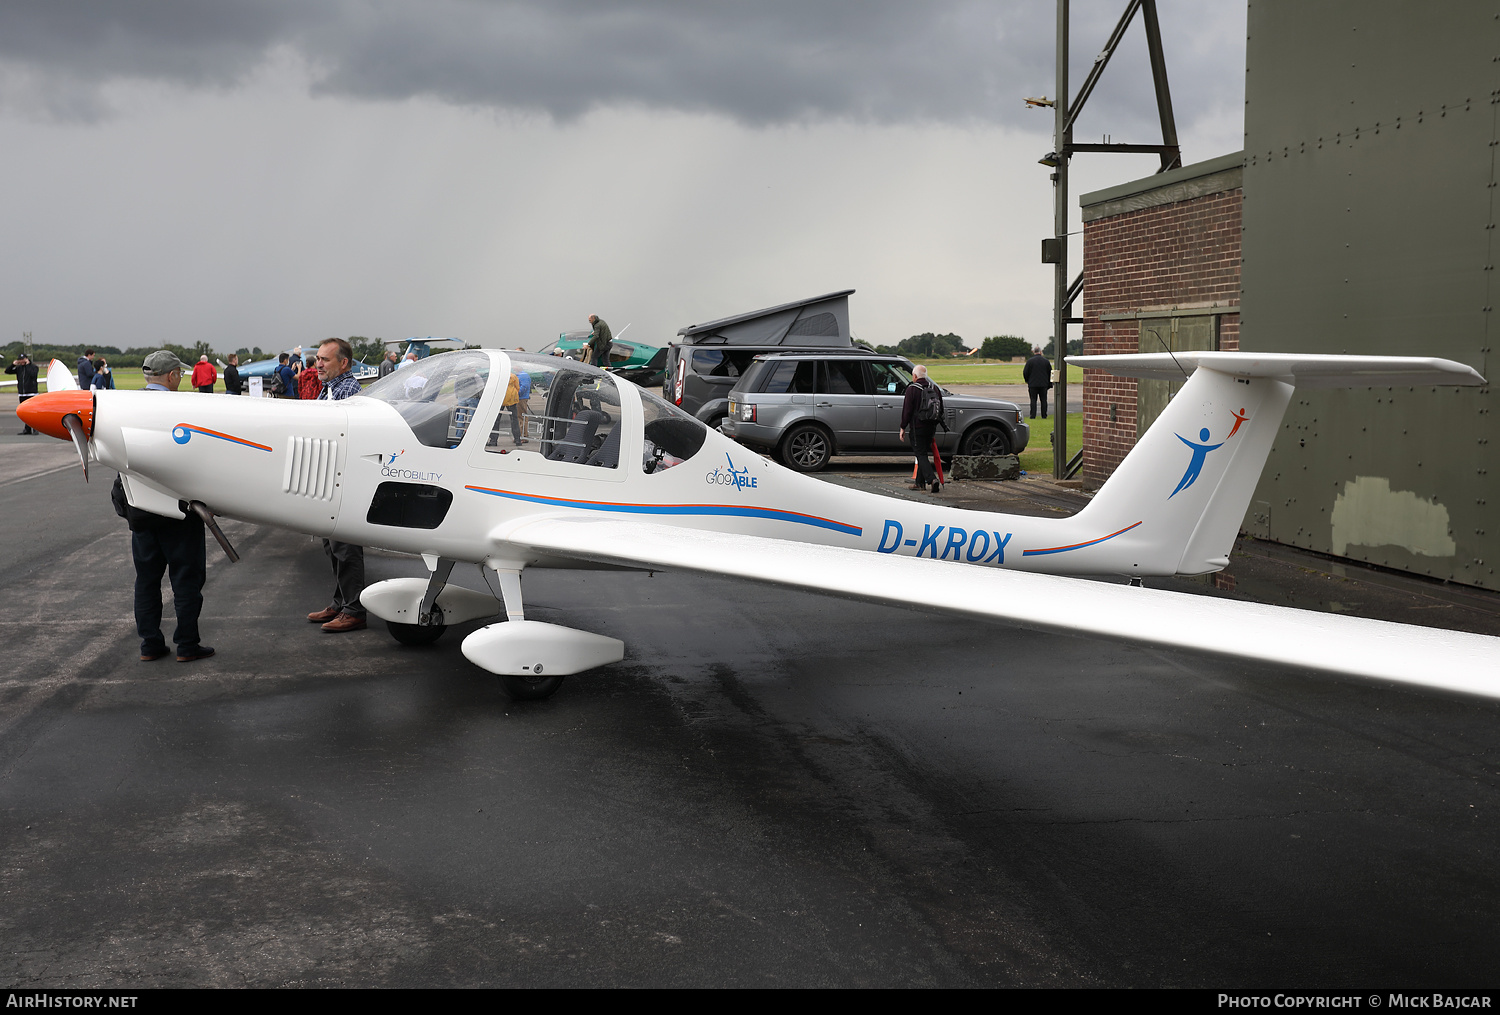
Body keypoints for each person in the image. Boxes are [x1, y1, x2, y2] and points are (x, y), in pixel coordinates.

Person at [111, 350, 214, 663]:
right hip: (178, 512)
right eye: (179, 375)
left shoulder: (126, 406)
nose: (181, 379)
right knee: (186, 580)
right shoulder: (182, 407)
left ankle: (150, 645)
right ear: (171, 376)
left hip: (140, 511)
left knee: (146, 581)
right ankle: (187, 645)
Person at [306, 338, 367, 633]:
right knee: (332, 548)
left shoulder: (349, 391)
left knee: (345, 549)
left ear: (343, 363)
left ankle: (354, 610)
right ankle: (340, 602)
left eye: (325, 360)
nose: (318, 364)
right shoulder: (329, 389)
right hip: (328, 482)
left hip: (344, 483)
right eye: (318, 358)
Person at [900, 364, 943, 494]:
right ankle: (919, 483)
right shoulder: (934, 388)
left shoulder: (912, 389)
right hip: (931, 427)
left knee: (921, 454)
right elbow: (941, 409)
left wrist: (902, 427)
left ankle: (932, 479)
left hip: (917, 427)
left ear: (914, 376)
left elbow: (907, 411)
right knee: (923, 453)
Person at [7, 353, 39, 434]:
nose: (21, 361)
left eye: (23, 359)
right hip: (22, 393)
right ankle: (27, 429)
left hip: (32, 393)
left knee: (33, 412)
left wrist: (28, 365)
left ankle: (35, 428)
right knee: (25, 413)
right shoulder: (19, 368)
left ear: (26, 359)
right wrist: (12, 364)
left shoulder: (34, 367)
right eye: (20, 359)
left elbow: (33, 374)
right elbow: (7, 371)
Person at [1023, 346, 1052, 420]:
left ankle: (1032, 416)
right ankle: (1044, 415)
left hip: (1033, 384)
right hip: (1043, 384)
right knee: (1044, 400)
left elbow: (1025, 372)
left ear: (1034, 352)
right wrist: (1049, 383)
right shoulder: (1046, 361)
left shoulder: (1030, 361)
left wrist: (1028, 381)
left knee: (1033, 400)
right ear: (1041, 352)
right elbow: (1050, 373)